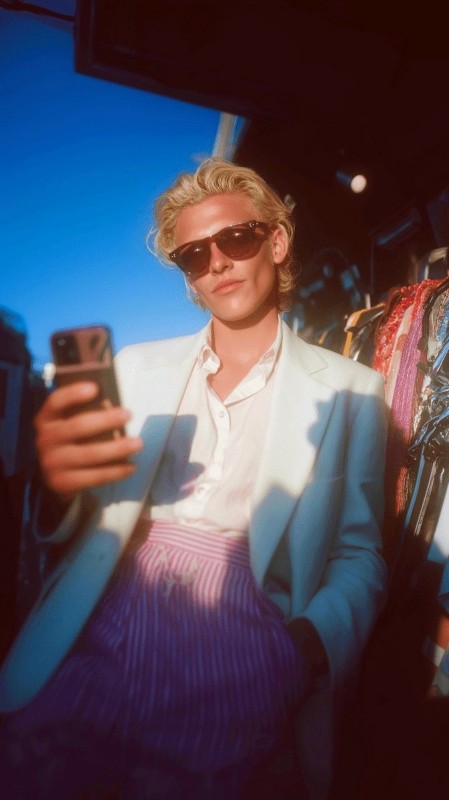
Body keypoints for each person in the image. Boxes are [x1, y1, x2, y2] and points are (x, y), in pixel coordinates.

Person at [0, 159, 387, 799]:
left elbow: (359, 550)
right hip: (108, 611)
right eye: (193, 255)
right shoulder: (138, 367)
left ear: (277, 240)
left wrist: (307, 647)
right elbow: (85, 515)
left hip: (249, 636)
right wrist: (57, 487)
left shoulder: (353, 390)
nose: (217, 264)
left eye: (236, 239)